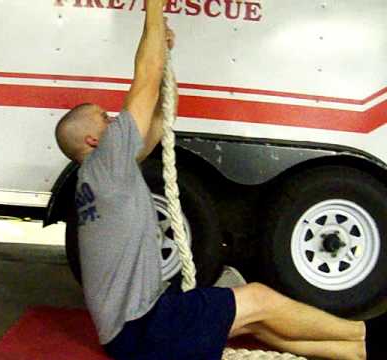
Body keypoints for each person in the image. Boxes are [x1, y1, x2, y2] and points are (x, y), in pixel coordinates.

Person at [55, 1, 370, 359]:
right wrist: (153, 12)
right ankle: (367, 333)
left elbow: (162, 114)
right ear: (93, 141)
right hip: (146, 328)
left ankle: (357, 352)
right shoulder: (105, 162)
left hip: (132, 334)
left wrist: (163, 56)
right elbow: (144, 77)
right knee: (257, 299)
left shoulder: (100, 177)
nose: (115, 120)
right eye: (105, 118)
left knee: (255, 321)